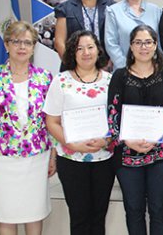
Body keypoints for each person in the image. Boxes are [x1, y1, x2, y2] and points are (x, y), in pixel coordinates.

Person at [0, 21, 55, 235]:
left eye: (27, 42)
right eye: (16, 41)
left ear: (34, 47)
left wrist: (54, 156)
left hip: (36, 157)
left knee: (33, 211)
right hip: (1, 158)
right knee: (6, 212)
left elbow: (51, 120)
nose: (22, 47)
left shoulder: (45, 78)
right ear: (7, 44)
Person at [107, 25, 163, 235]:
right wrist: (126, 140)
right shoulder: (119, 76)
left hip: (161, 154)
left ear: (155, 45)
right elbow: (112, 113)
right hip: (126, 154)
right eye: (138, 42)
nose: (143, 47)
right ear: (130, 46)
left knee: (158, 208)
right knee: (133, 209)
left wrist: (159, 140)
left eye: (148, 42)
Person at [43, 30, 114, 235]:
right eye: (79, 48)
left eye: (90, 47)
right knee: (79, 215)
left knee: (99, 214)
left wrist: (106, 139)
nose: (86, 52)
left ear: (98, 51)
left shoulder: (111, 80)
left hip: (104, 157)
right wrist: (71, 143)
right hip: (71, 158)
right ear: (72, 52)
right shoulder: (61, 81)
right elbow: (52, 121)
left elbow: (117, 118)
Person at [54, 0, 115, 69]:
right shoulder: (64, 8)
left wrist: (109, 63)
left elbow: (116, 41)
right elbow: (59, 42)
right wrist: (73, 66)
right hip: (73, 70)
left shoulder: (112, 7)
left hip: (104, 69)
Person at [105, 0, 163, 71]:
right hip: (124, 71)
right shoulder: (113, 11)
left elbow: (161, 44)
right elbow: (111, 44)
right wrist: (128, 68)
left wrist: (155, 65)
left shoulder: (156, 11)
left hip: (152, 71)